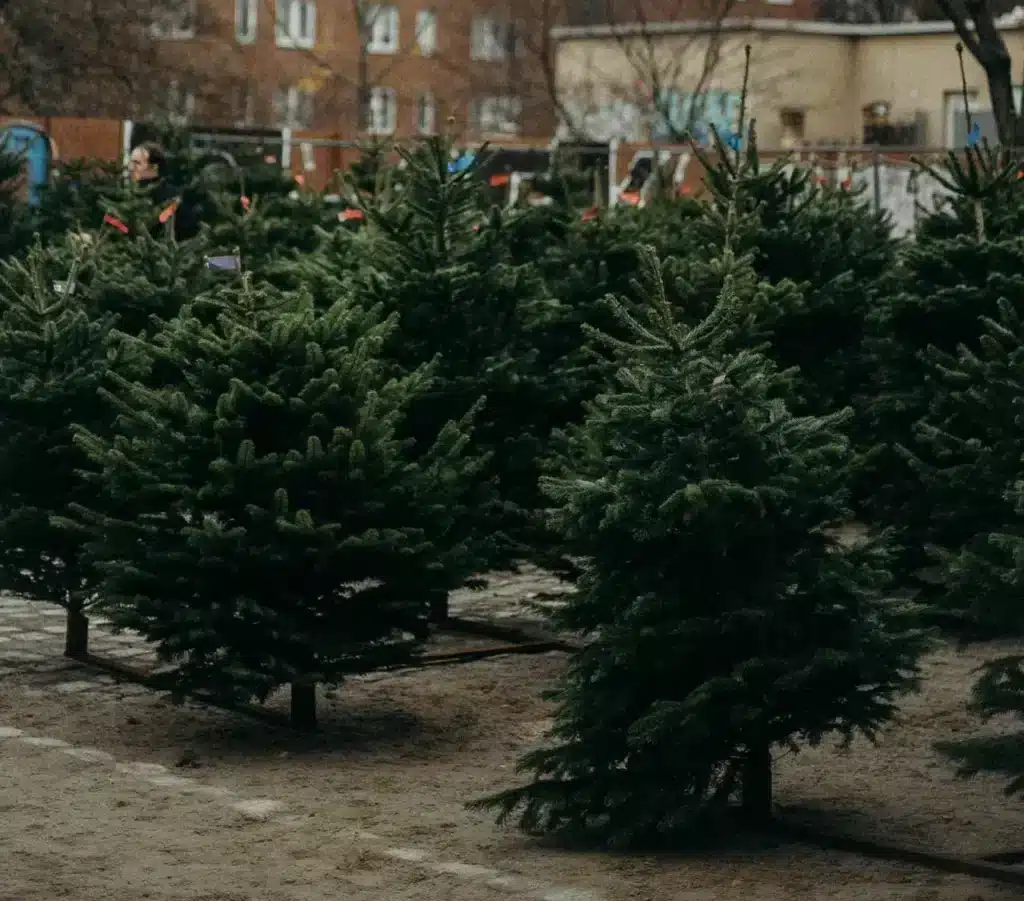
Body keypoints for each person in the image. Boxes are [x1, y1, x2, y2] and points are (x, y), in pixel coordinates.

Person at [127, 141, 200, 239]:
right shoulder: (126, 195)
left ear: (154, 168)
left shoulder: (173, 199)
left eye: (137, 163)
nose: (130, 168)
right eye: (131, 162)